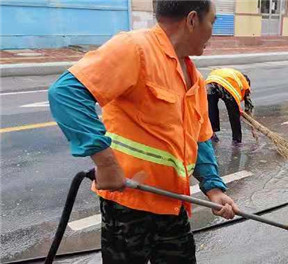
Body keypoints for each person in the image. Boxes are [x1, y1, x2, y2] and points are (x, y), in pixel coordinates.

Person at [48, 1, 238, 263]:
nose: (212, 33)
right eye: (212, 22)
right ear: (192, 20)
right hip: (128, 207)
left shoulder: (194, 77)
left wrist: (214, 188)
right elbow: (65, 93)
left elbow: (200, 137)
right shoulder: (135, 49)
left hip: (174, 205)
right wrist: (105, 163)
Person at [205, 68, 256, 145]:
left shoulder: (233, 75)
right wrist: (253, 129)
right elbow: (248, 105)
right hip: (225, 86)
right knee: (234, 115)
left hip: (208, 84)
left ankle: (212, 135)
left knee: (212, 109)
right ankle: (237, 141)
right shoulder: (244, 83)